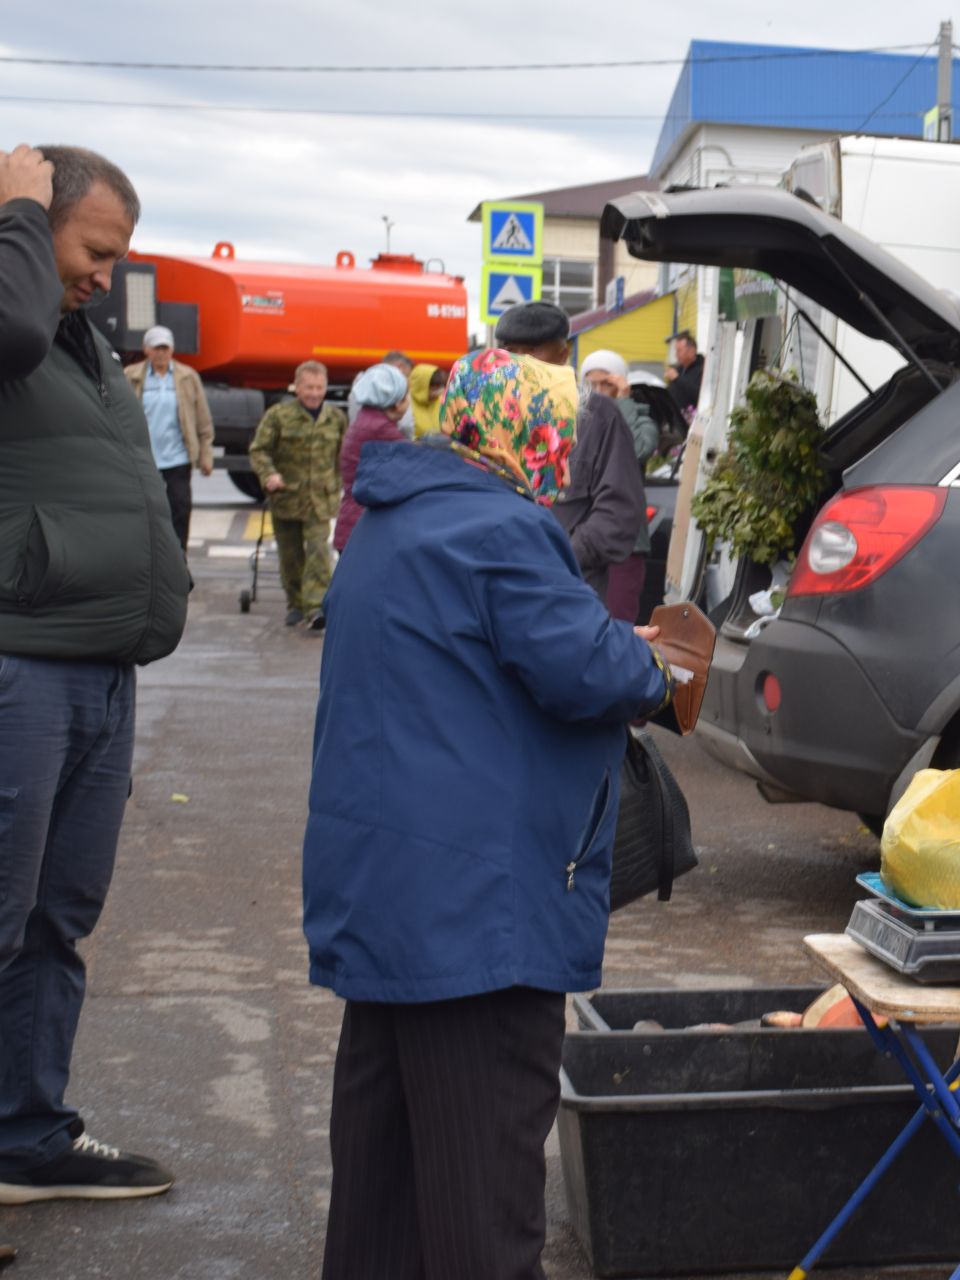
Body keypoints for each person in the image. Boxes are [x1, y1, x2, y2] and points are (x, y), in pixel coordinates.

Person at [304, 347, 672, 1278]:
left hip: (386, 895)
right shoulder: (500, 529)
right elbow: (592, 668)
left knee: (382, 1197)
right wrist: (656, 665)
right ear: (528, 433)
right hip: (475, 917)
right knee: (485, 1202)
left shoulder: (391, 521)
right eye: (562, 432)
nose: (568, 452)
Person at [0, 143, 188, 1207]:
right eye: (95, 250)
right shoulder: (19, 315)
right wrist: (18, 212)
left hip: (95, 672)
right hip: (19, 665)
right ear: (31, 222)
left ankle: (24, 1135)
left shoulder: (74, 337)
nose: (107, 276)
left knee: (52, 920)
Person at [494, 302, 645, 615]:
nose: (520, 364)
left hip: (570, 598)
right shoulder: (491, 417)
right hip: (500, 592)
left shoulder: (597, 416)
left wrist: (555, 556)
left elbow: (618, 516)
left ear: (563, 356)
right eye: (510, 352)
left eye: (533, 351)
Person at [250, 360, 346, 629]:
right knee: (290, 556)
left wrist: (345, 486)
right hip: (287, 498)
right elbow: (259, 450)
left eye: (319, 387)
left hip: (320, 500)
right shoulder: (279, 415)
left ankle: (316, 607)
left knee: (318, 552)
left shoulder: (336, 419)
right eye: (309, 388)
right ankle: (295, 602)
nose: (314, 393)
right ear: (297, 387)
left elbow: (344, 456)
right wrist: (269, 474)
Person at [581, 348, 658, 622]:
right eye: (592, 385)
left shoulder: (642, 422)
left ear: (622, 384)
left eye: (608, 384)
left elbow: (636, 449)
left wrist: (623, 401)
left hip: (626, 547)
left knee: (617, 625)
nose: (600, 391)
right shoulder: (576, 423)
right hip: (583, 542)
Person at [123, 324, 214, 551]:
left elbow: (203, 420)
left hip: (177, 457)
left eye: (165, 348)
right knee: (144, 511)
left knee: (180, 509)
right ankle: (145, 555)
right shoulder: (130, 376)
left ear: (172, 350)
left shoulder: (187, 377)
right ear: (147, 350)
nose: (161, 353)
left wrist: (206, 455)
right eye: (156, 348)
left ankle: (178, 557)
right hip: (144, 458)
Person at [334, 362, 410, 553]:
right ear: (394, 399)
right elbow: (414, 462)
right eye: (406, 396)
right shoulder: (380, 428)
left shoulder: (368, 419)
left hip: (353, 524)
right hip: (362, 529)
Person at [666, 329, 703, 422]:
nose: (676, 355)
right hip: (675, 421)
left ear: (692, 351)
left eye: (679, 351)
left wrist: (678, 379)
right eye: (676, 351)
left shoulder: (703, 368)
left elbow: (699, 394)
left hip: (693, 421)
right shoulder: (678, 369)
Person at [407, 362, 446, 439]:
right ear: (420, 387)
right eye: (434, 389)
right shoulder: (405, 404)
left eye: (440, 387)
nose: (438, 393)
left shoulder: (443, 401)